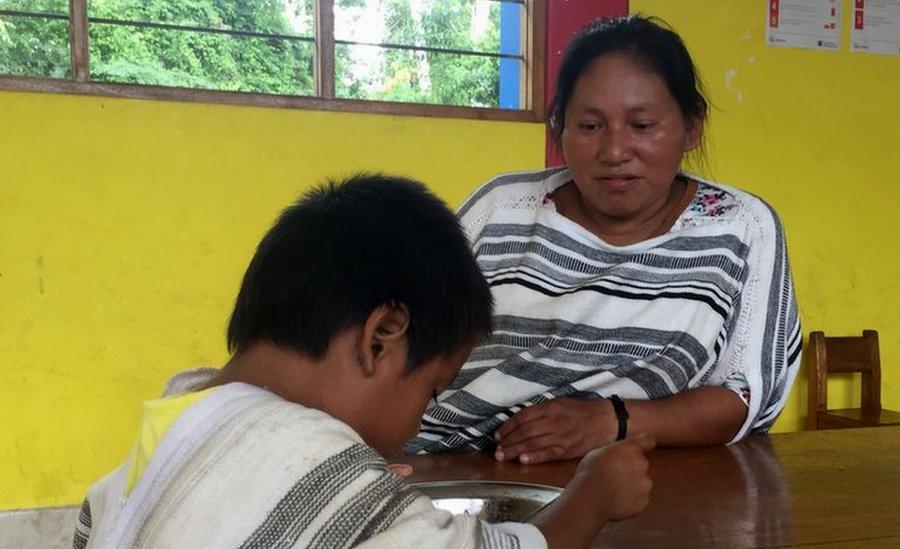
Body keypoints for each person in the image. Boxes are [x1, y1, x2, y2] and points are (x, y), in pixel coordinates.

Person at [72, 175, 655, 549]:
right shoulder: (318, 466)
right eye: (431, 391)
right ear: (381, 337)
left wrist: (364, 498)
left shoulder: (173, 421)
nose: (415, 424)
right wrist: (593, 497)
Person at [406, 15, 802, 464]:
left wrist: (610, 422)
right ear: (561, 128)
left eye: (642, 126)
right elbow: (413, 348)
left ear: (692, 127)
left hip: (651, 475)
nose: (614, 153)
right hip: (461, 462)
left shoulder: (741, 228)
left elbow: (745, 398)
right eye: (590, 126)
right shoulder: (503, 208)